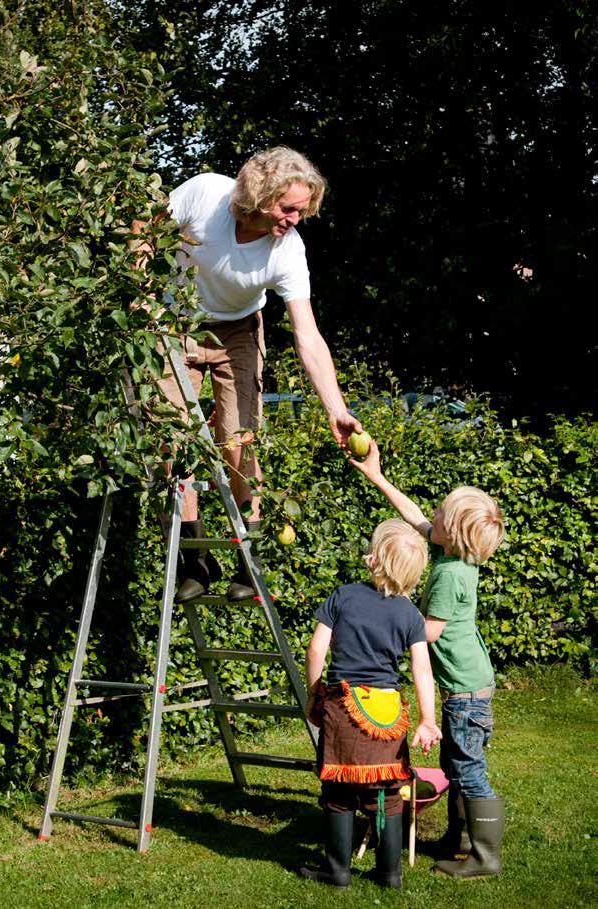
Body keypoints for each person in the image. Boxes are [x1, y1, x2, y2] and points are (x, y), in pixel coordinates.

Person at [131, 146, 361, 602]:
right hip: (174, 326)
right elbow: (144, 227)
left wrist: (337, 408)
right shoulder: (204, 195)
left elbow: (308, 336)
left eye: (303, 210)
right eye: (288, 207)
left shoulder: (287, 252)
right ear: (259, 194)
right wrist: (140, 291)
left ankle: (246, 560)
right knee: (170, 440)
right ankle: (193, 557)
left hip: (238, 332)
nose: (296, 218)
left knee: (240, 442)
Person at [351, 441, 506, 878]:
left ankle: (485, 857)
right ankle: (458, 840)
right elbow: (413, 515)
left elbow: (429, 630)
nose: (431, 515)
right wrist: (376, 475)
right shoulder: (454, 555)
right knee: (455, 764)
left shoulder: (447, 574)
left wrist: (385, 617)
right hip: (472, 681)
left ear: (452, 531)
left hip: (464, 690)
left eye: (439, 513)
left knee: (468, 769)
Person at [299, 519, 442, 891]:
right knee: (388, 795)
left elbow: (316, 649)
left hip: (344, 708)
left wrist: (314, 693)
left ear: (374, 558)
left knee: (338, 792)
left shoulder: (343, 596)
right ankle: (389, 874)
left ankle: (337, 871)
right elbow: (422, 669)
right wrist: (427, 719)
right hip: (386, 714)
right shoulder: (411, 614)